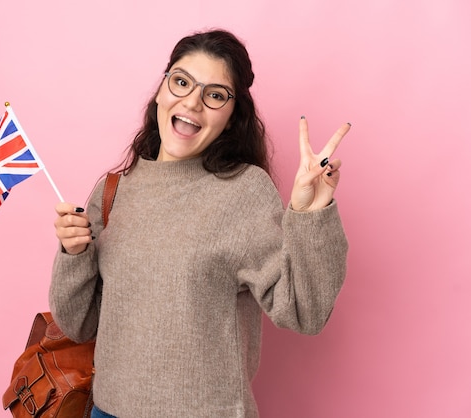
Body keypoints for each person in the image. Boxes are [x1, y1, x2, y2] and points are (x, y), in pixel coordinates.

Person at [50, 29, 351, 418]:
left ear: (230, 117)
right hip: (108, 411)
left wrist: (310, 215)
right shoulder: (113, 191)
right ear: (160, 91)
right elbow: (79, 324)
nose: (192, 102)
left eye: (214, 94)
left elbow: (304, 313)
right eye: (181, 82)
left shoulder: (243, 191)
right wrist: (73, 255)